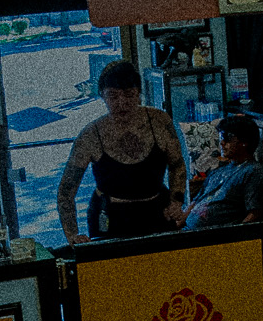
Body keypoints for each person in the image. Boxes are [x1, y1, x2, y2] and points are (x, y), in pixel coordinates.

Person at [54, 60, 187, 242]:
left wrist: (176, 201)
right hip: (110, 217)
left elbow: (177, 165)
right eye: (113, 96)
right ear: (102, 96)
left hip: (157, 211)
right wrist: (72, 235)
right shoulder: (91, 135)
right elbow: (65, 191)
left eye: (129, 95)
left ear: (139, 94)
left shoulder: (159, 121)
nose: (122, 103)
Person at [184, 114, 263, 229]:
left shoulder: (253, 172)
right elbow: (196, 201)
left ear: (244, 142)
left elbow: (256, 214)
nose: (222, 142)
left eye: (227, 138)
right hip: (187, 230)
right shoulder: (219, 171)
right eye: (221, 137)